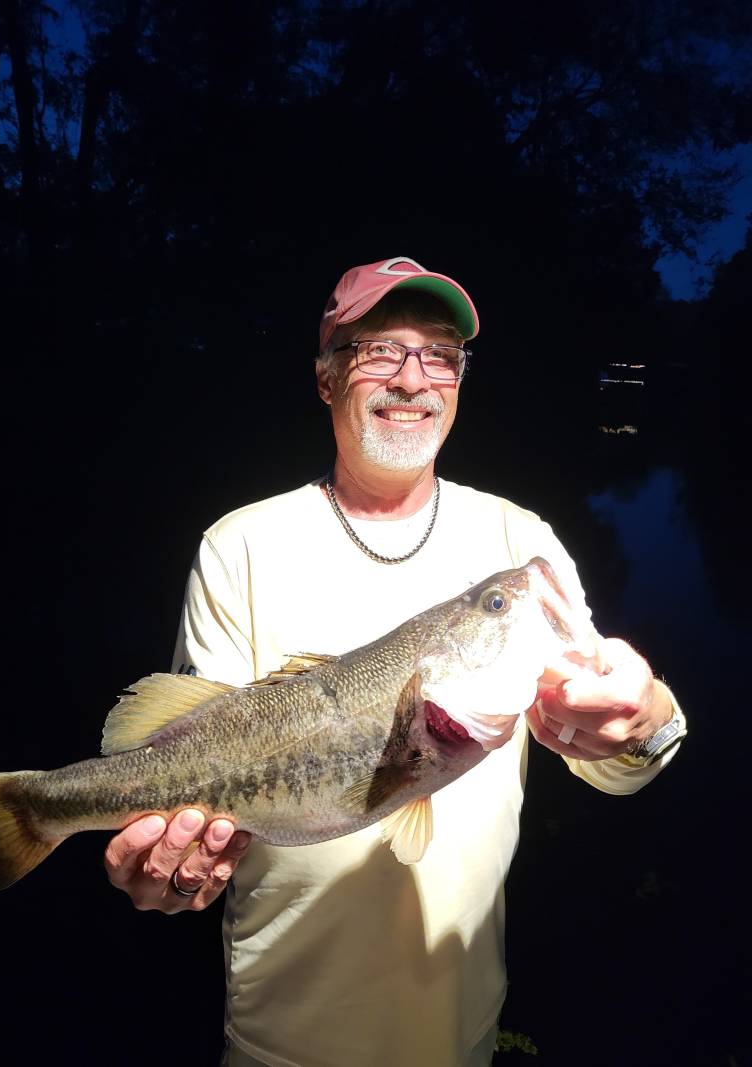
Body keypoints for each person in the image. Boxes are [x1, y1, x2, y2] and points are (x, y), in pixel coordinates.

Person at [103, 257, 686, 1066]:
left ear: (458, 381)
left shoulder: (521, 548)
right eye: (378, 348)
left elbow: (615, 762)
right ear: (325, 378)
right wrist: (176, 872)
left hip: (460, 1030)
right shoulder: (240, 544)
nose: (413, 378)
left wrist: (647, 718)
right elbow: (195, 785)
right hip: (281, 1037)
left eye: (440, 354)